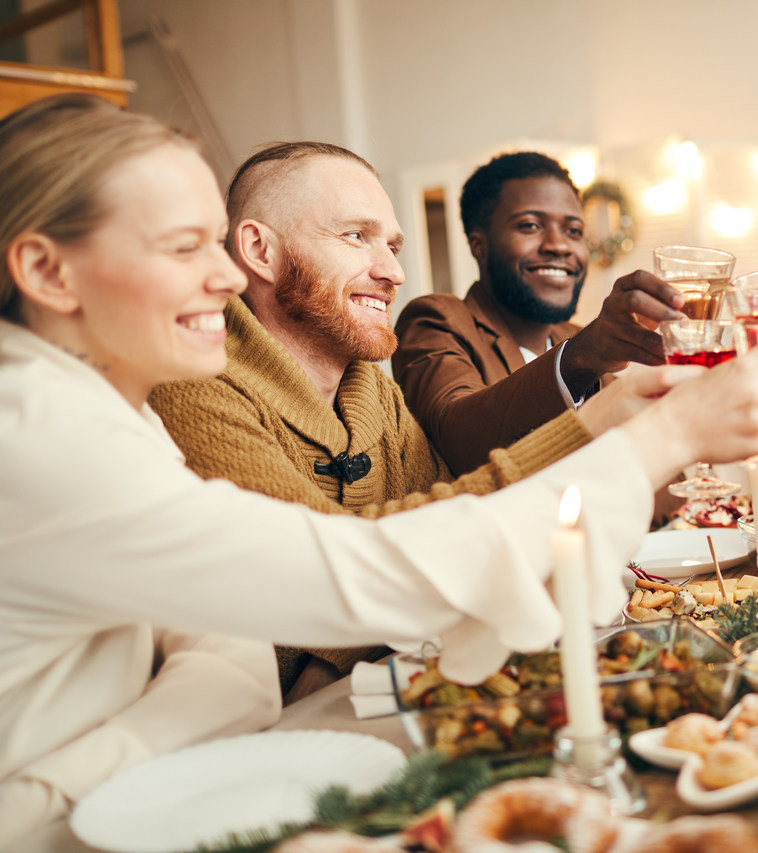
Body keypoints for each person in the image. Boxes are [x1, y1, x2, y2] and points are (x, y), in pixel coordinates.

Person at [0, 94, 758, 846]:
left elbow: (243, 653)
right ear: (46, 272)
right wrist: (651, 439)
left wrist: (102, 755)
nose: (222, 275)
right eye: (184, 247)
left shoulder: (112, 407)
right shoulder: (38, 427)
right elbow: (355, 575)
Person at [148, 142, 604, 703]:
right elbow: (326, 574)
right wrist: (598, 425)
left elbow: (452, 535)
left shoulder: (375, 394)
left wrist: (338, 654)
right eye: (355, 236)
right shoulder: (192, 387)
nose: (393, 272)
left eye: (392, 245)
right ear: (260, 250)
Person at [392, 152, 687, 476]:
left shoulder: (574, 335)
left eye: (574, 230)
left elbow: (656, 472)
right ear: (480, 245)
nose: (559, 246)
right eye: (531, 225)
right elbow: (457, 443)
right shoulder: (435, 321)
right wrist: (578, 359)